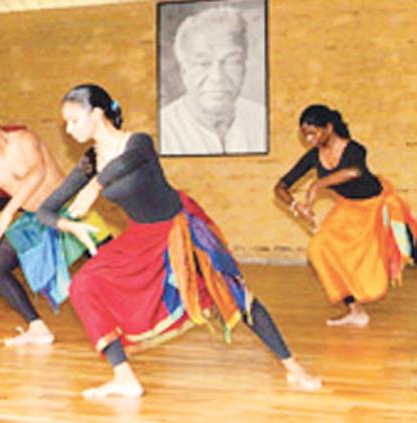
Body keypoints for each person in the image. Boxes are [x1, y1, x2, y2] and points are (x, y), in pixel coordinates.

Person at [38, 84, 321, 398]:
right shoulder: (91, 162)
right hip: (141, 237)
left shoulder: (138, 142)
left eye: (74, 120)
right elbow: (45, 211)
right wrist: (73, 228)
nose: (69, 128)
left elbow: (126, 163)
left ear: (97, 114)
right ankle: (124, 377)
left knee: (234, 294)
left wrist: (96, 186)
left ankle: (294, 368)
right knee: (83, 285)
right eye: (67, 122)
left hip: (180, 227)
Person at [0, 103, 109, 346]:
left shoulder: (25, 139)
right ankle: (37, 327)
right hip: (36, 219)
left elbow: (37, 173)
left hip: (68, 208)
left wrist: (7, 213)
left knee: (110, 260)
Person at [274, 104, 415, 327]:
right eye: (305, 135)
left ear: (329, 127)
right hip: (348, 208)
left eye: (313, 133)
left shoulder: (354, 149)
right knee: (319, 249)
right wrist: (295, 205)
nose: (309, 139)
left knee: (406, 249)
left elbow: (355, 172)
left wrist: (317, 185)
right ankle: (355, 311)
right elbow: (280, 186)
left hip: (376, 207)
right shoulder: (313, 156)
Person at [160, 6, 266, 155]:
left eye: (231, 62)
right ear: (184, 72)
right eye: (203, 63)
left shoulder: (261, 119)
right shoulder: (164, 130)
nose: (218, 77)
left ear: (244, 67)